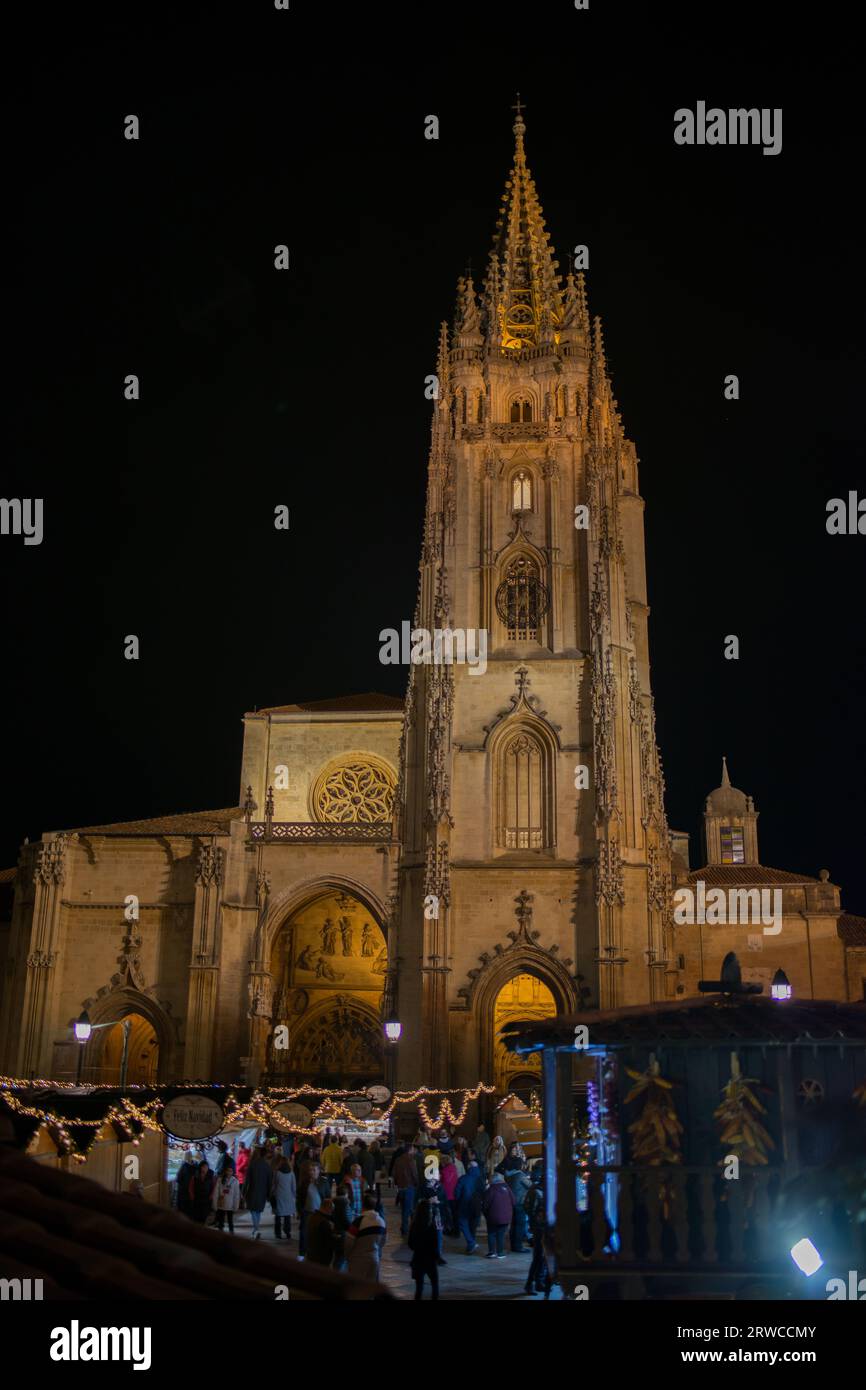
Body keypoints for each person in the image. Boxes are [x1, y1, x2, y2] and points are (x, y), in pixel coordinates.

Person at [344, 1193, 387, 1282]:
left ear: (362, 1205)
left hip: (358, 1259)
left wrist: (347, 1255)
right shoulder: (381, 1221)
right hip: (374, 1258)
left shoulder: (358, 1221)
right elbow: (383, 1241)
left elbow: (348, 1242)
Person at [523, 1163, 552, 1296]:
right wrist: (537, 1222)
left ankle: (539, 1282)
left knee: (543, 1257)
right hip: (539, 1228)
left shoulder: (542, 1190)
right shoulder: (537, 1191)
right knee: (538, 1257)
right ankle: (530, 1284)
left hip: (544, 1227)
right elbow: (530, 1210)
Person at [408, 1198, 440, 1300]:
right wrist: (437, 1257)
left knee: (419, 1287)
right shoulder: (431, 1226)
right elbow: (435, 1245)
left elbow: (411, 1244)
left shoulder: (414, 1226)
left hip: (418, 1258)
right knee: (434, 1284)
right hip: (430, 1259)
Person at [482, 1172, 515, 1258]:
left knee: (491, 1234)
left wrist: (485, 1213)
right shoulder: (507, 1188)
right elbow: (514, 1201)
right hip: (506, 1217)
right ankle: (500, 1253)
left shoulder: (490, 1190)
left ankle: (492, 1252)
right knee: (501, 1234)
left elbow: (485, 1205)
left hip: (492, 1217)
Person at [454, 1157, 483, 1253]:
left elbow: (457, 1193)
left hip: (465, 1204)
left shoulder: (463, 1178)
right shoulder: (481, 1179)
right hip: (477, 1205)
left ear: (469, 1167)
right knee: (473, 1226)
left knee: (462, 1222)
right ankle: (471, 1246)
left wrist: (458, 1200)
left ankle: (471, 1243)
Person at [243, 1146, 272, 1239]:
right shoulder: (267, 1166)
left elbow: (246, 1180)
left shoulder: (252, 1164)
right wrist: (268, 1194)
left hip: (252, 1190)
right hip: (262, 1192)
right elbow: (269, 1181)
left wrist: (243, 1192)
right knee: (258, 1211)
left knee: (252, 1210)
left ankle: (256, 1229)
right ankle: (256, 1229)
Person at [506, 1161, 532, 1252]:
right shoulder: (520, 1176)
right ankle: (518, 1246)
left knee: (513, 1225)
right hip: (520, 1203)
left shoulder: (510, 1176)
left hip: (512, 1202)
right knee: (519, 1225)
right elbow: (530, 1185)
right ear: (521, 1166)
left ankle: (513, 1244)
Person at [393, 1142, 418, 1236]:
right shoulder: (411, 1160)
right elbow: (414, 1174)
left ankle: (411, 1226)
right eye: (412, 1149)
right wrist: (417, 1183)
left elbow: (395, 1173)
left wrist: (397, 1183)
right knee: (408, 1209)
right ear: (409, 1150)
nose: (413, 1150)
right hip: (409, 1186)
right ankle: (405, 1228)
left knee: (405, 1208)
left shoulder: (398, 1159)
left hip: (401, 1187)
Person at [299, 1161, 323, 1257]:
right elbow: (300, 1197)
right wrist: (300, 1210)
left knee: (318, 1235)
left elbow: (327, 1197)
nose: (311, 1172)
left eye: (314, 1170)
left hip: (320, 1213)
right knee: (304, 1234)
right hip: (307, 1212)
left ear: (318, 1171)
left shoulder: (323, 1182)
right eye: (310, 1170)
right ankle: (302, 1253)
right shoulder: (305, 1182)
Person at [306, 1197, 337, 1266]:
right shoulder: (324, 1222)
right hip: (321, 1256)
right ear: (328, 1208)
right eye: (331, 1210)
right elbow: (329, 1241)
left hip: (311, 1253)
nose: (331, 1213)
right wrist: (335, 1236)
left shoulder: (312, 1217)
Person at [271, 1156, 297, 1240]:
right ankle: (287, 1232)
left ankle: (278, 1233)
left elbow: (274, 1185)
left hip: (279, 1195)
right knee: (287, 1216)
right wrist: (294, 1196)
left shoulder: (277, 1172)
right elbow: (293, 1186)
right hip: (288, 1196)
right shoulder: (291, 1173)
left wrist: (272, 1194)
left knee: (278, 1216)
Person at [212, 1158, 241, 1233]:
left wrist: (236, 1205)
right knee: (221, 1221)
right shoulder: (220, 1180)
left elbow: (236, 1195)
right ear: (225, 1171)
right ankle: (221, 1233)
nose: (229, 1172)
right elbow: (216, 1192)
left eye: (231, 1171)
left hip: (230, 1205)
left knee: (230, 1221)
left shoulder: (235, 1181)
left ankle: (231, 1233)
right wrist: (214, 1204)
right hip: (221, 1203)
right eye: (228, 1170)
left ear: (233, 1171)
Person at [175, 1150, 200, 1218]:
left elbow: (179, 1178)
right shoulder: (196, 1165)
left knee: (185, 1207)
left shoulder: (185, 1165)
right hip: (189, 1189)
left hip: (185, 1189)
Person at [439, 1152, 460, 1236]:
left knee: (447, 1213)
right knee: (454, 1214)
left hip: (447, 1195)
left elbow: (445, 1182)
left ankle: (449, 1229)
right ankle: (455, 1230)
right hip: (454, 1194)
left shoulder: (445, 1171)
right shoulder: (454, 1168)